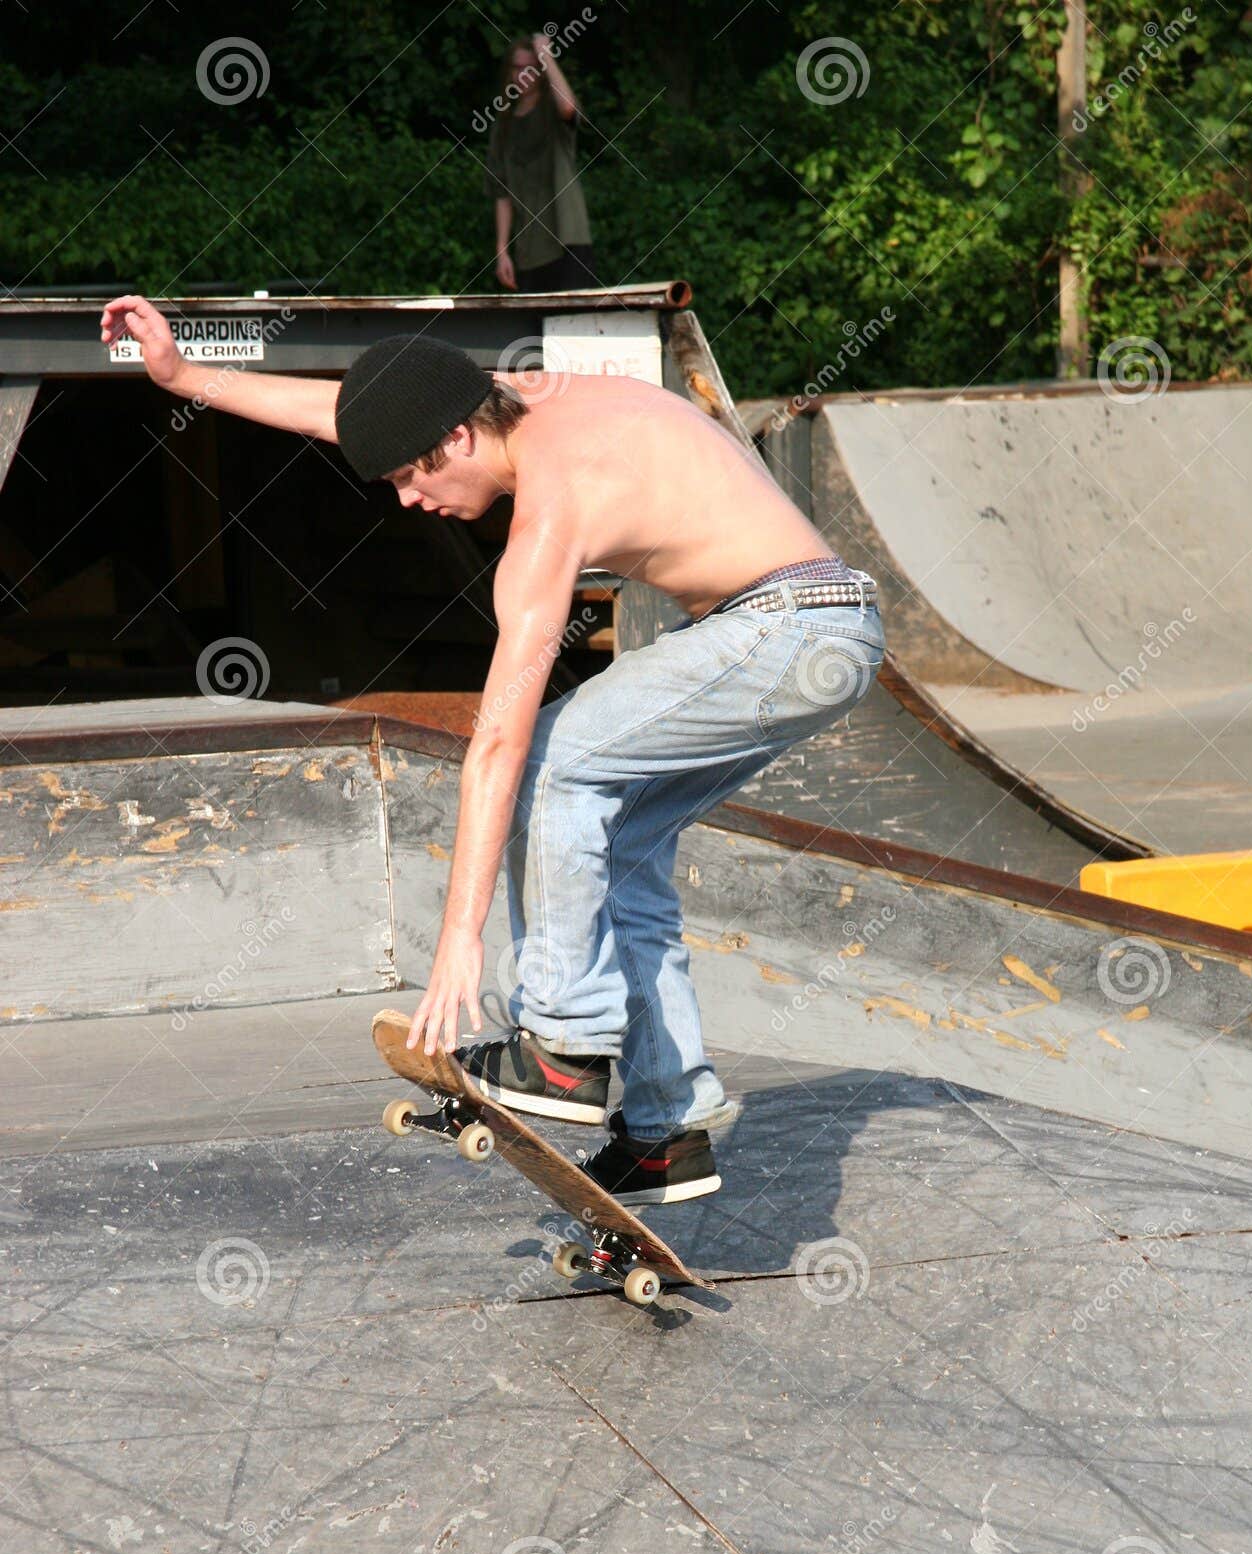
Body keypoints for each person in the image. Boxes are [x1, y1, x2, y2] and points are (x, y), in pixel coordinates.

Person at [99, 297, 885, 1204]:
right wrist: (183, 376)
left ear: (457, 441)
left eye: (407, 477)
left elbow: (499, 744)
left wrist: (459, 940)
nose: (409, 499)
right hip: (821, 633)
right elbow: (340, 410)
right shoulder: (511, 397)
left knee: (555, 759)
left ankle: (560, 1044)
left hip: (785, 630)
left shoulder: (549, 513)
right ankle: (670, 1126)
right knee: (618, 848)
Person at [485, 34, 598, 294]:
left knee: (575, 329)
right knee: (534, 333)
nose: (522, 75)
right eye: (516, 67)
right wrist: (502, 251)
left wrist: (546, 55)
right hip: (529, 250)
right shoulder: (503, 125)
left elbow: (568, 107)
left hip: (568, 240)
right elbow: (501, 192)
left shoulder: (552, 110)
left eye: (530, 68)